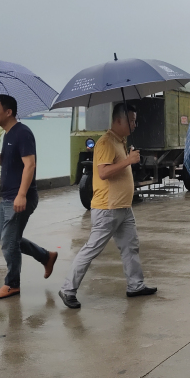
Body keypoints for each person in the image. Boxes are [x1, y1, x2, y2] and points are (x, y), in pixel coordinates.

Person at [58, 103, 157, 309]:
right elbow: (103, 172)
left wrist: (128, 158)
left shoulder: (120, 141)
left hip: (123, 207)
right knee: (92, 248)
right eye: (131, 120)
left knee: (130, 246)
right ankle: (68, 289)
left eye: (135, 120)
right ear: (119, 120)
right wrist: (128, 161)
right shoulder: (105, 143)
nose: (135, 124)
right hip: (108, 208)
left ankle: (135, 285)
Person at [0, 94, 58, 300]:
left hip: (20, 196)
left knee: (8, 242)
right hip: (7, 197)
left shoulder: (22, 133)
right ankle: (46, 256)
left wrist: (22, 194)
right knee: (7, 240)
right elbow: (6, 163)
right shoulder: (8, 135)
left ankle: (12, 284)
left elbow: (29, 165)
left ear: (8, 112)